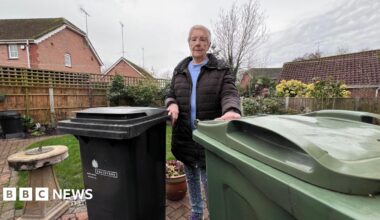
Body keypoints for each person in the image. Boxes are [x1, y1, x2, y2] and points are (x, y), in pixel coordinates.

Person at [165, 24, 241, 220]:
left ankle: (216, 214)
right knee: (191, 179)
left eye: (202, 39)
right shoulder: (180, 69)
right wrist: (171, 103)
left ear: (208, 44)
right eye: (193, 39)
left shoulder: (221, 69)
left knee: (211, 183)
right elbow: (170, 93)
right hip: (185, 137)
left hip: (209, 139)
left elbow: (229, 93)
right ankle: (197, 213)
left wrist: (231, 109)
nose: (197, 43)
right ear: (189, 43)